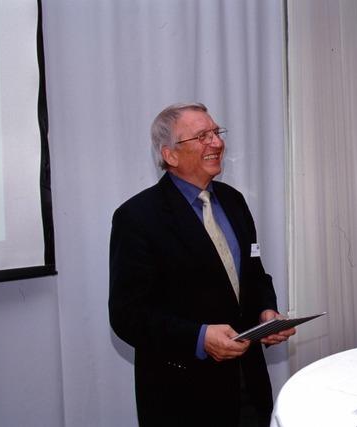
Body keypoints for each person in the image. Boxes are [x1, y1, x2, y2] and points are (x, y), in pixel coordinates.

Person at [109, 102, 295, 427]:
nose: (217, 143)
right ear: (170, 155)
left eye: (216, 132)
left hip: (248, 384)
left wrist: (266, 312)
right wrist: (199, 337)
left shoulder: (234, 201)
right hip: (182, 396)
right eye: (202, 136)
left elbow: (253, 274)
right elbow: (127, 316)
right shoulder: (137, 217)